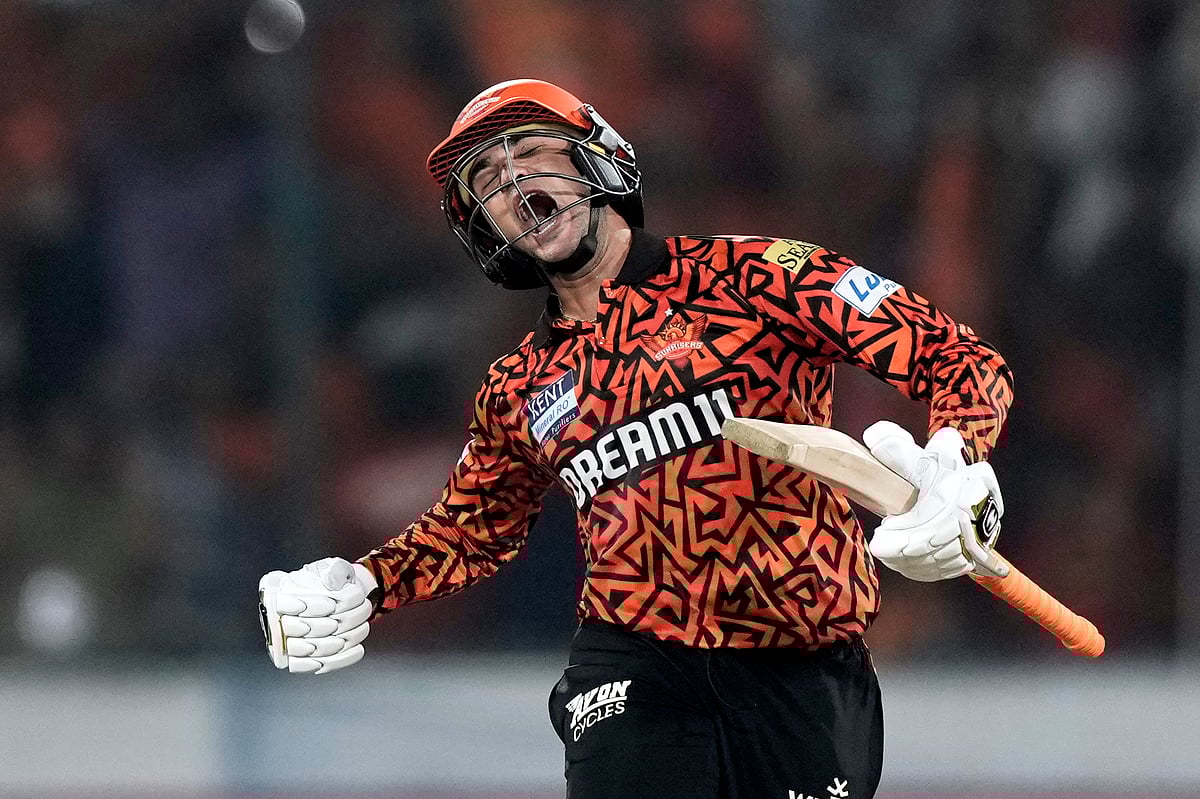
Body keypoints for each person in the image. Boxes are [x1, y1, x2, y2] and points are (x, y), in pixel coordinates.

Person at [257, 79, 1014, 799]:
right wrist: (367, 584)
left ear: (599, 157)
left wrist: (957, 459)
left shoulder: (755, 275)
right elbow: (471, 529)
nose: (512, 186)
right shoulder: (517, 387)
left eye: (531, 153)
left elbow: (954, 356)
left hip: (804, 659)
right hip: (632, 660)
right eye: (485, 179)